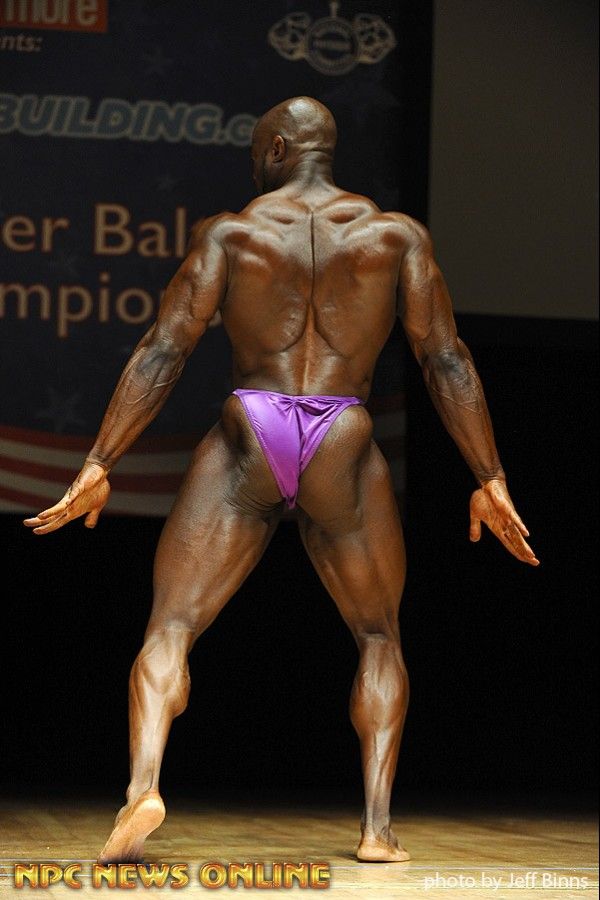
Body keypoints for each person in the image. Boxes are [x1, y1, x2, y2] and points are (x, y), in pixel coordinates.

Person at [24, 96, 539, 864]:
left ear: (275, 150)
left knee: (172, 626)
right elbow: (446, 358)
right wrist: (489, 474)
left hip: (252, 428)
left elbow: (164, 349)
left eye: (255, 152)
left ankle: (143, 787)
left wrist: (100, 461)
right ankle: (377, 828)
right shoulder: (396, 237)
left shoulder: (231, 234)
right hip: (343, 430)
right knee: (377, 634)